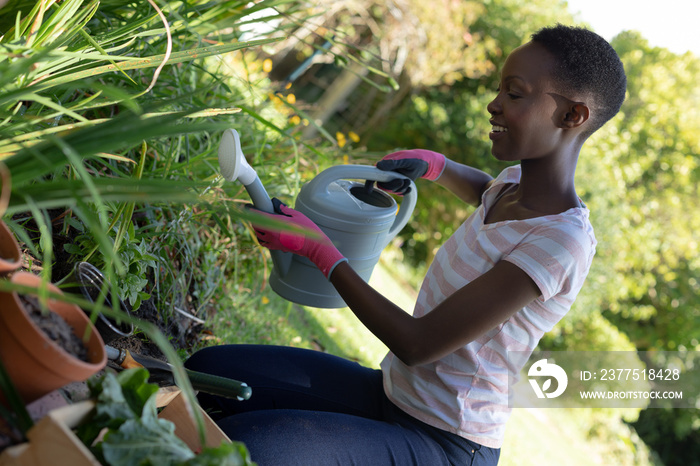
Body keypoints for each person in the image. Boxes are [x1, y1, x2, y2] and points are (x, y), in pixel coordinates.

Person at [186, 24, 627, 465]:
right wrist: (437, 166)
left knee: (245, 451)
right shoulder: (514, 185)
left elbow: (417, 344)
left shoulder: (560, 242)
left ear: (573, 116)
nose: (493, 104)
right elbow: (484, 189)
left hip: (446, 442)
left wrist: (317, 249)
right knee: (206, 373)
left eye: (514, 94)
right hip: (390, 394)